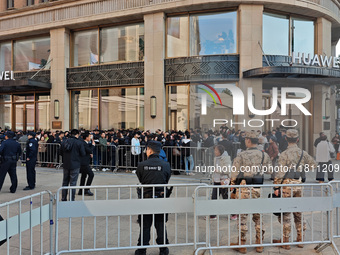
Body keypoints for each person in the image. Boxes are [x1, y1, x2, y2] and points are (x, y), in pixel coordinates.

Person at [273, 129, 317, 250]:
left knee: (286, 213)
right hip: (299, 184)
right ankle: (300, 239)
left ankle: (286, 241)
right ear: (298, 139)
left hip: (287, 185)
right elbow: (314, 165)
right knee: (298, 212)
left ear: (286, 139)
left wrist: (276, 187)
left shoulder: (284, 154)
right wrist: (301, 169)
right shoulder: (303, 153)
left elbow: (280, 172)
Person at [230, 131, 271, 254]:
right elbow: (269, 171)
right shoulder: (264, 155)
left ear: (248, 140)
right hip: (257, 188)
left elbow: (234, 174)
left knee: (243, 217)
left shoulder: (241, 155)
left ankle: (242, 244)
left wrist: (232, 187)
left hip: (244, 188)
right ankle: (259, 243)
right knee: (258, 216)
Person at [135, 141, 171, 255]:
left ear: (149, 150)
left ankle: (142, 249)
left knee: (145, 224)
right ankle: (163, 249)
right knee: (160, 224)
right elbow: (166, 179)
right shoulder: (166, 165)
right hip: (161, 197)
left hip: (146, 198)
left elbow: (141, 179)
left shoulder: (141, 165)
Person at [60, 129, 86, 201]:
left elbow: (60, 152)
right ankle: (72, 199)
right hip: (75, 164)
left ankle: (64, 198)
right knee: (73, 183)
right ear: (77, 134)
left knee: (65, 182)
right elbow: (83, 153)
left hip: (66, 164)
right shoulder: (79, 143)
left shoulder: (64, 141)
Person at [208, 145, 231, 220]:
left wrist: (218, 170)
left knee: (226, 198)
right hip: (216, 180)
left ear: (220, 151)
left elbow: (228, 170)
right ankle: (213, 215)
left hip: (223, 181)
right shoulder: (216, 158)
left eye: (216, 150)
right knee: (214, 197)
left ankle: (233, 213)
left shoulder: (226, 158)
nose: (215, 152)